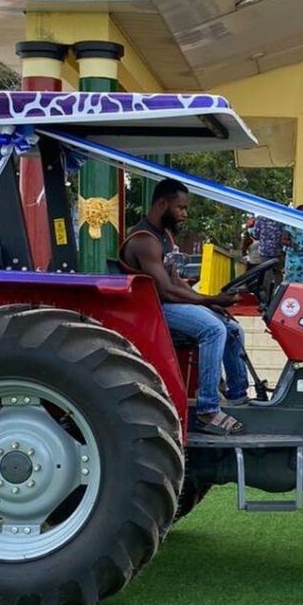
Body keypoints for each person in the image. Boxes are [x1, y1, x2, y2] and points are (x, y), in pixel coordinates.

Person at [120, 178, 249, 436]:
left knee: (233, 328)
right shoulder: (144, 240)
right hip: (152, 311)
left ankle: (238, 396)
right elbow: (166, 290)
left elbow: (176, 281)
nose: (184, 214)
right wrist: (211, 301)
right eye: (181, 208)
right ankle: (207, 410)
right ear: (162, 204)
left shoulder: (164, 236)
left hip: (166, 305)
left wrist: (211, 302)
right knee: (213, 329)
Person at [281, 206, 303, 283]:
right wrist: (291, 244)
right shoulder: (290, 225)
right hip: (293, 258)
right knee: (291, 282)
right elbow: (283, 240)